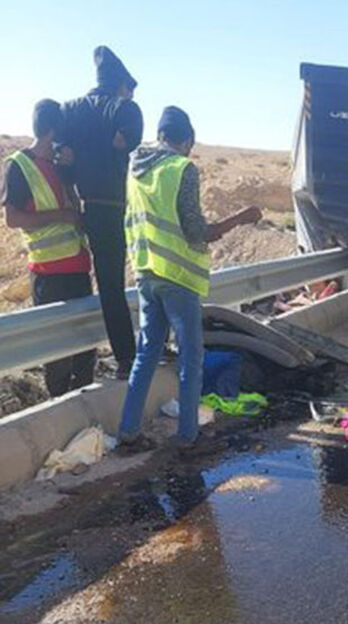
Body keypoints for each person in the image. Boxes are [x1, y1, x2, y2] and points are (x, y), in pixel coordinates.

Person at [117, 106, 261, 453]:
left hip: (145, 271)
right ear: (186, 140)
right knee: (190, 355)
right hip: (177, 276)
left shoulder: (136, 169)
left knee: (147, 352)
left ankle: (128, 430)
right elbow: (196, 231)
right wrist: (240, 218)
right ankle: (187, 436)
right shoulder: (182, 169)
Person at [1, 100, 96, 396]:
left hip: (78, 267)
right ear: (54, 130)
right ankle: (59, 413)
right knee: (57, 357)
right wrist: (62, 216)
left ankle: (86, 419)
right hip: (48, 273)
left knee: (85, 349)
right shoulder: (19, 165)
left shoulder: (60, 165)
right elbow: (12, 218)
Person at [60, 46, 144, 379]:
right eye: (130, 87)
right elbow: (123, 143)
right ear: (121, 84)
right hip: (113, 208)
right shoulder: (125, 108)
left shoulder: (69, 110)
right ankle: (126, 357)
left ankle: (86, 360)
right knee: (112, 284)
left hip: (76, 206)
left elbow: (63, 156)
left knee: (82, 280)